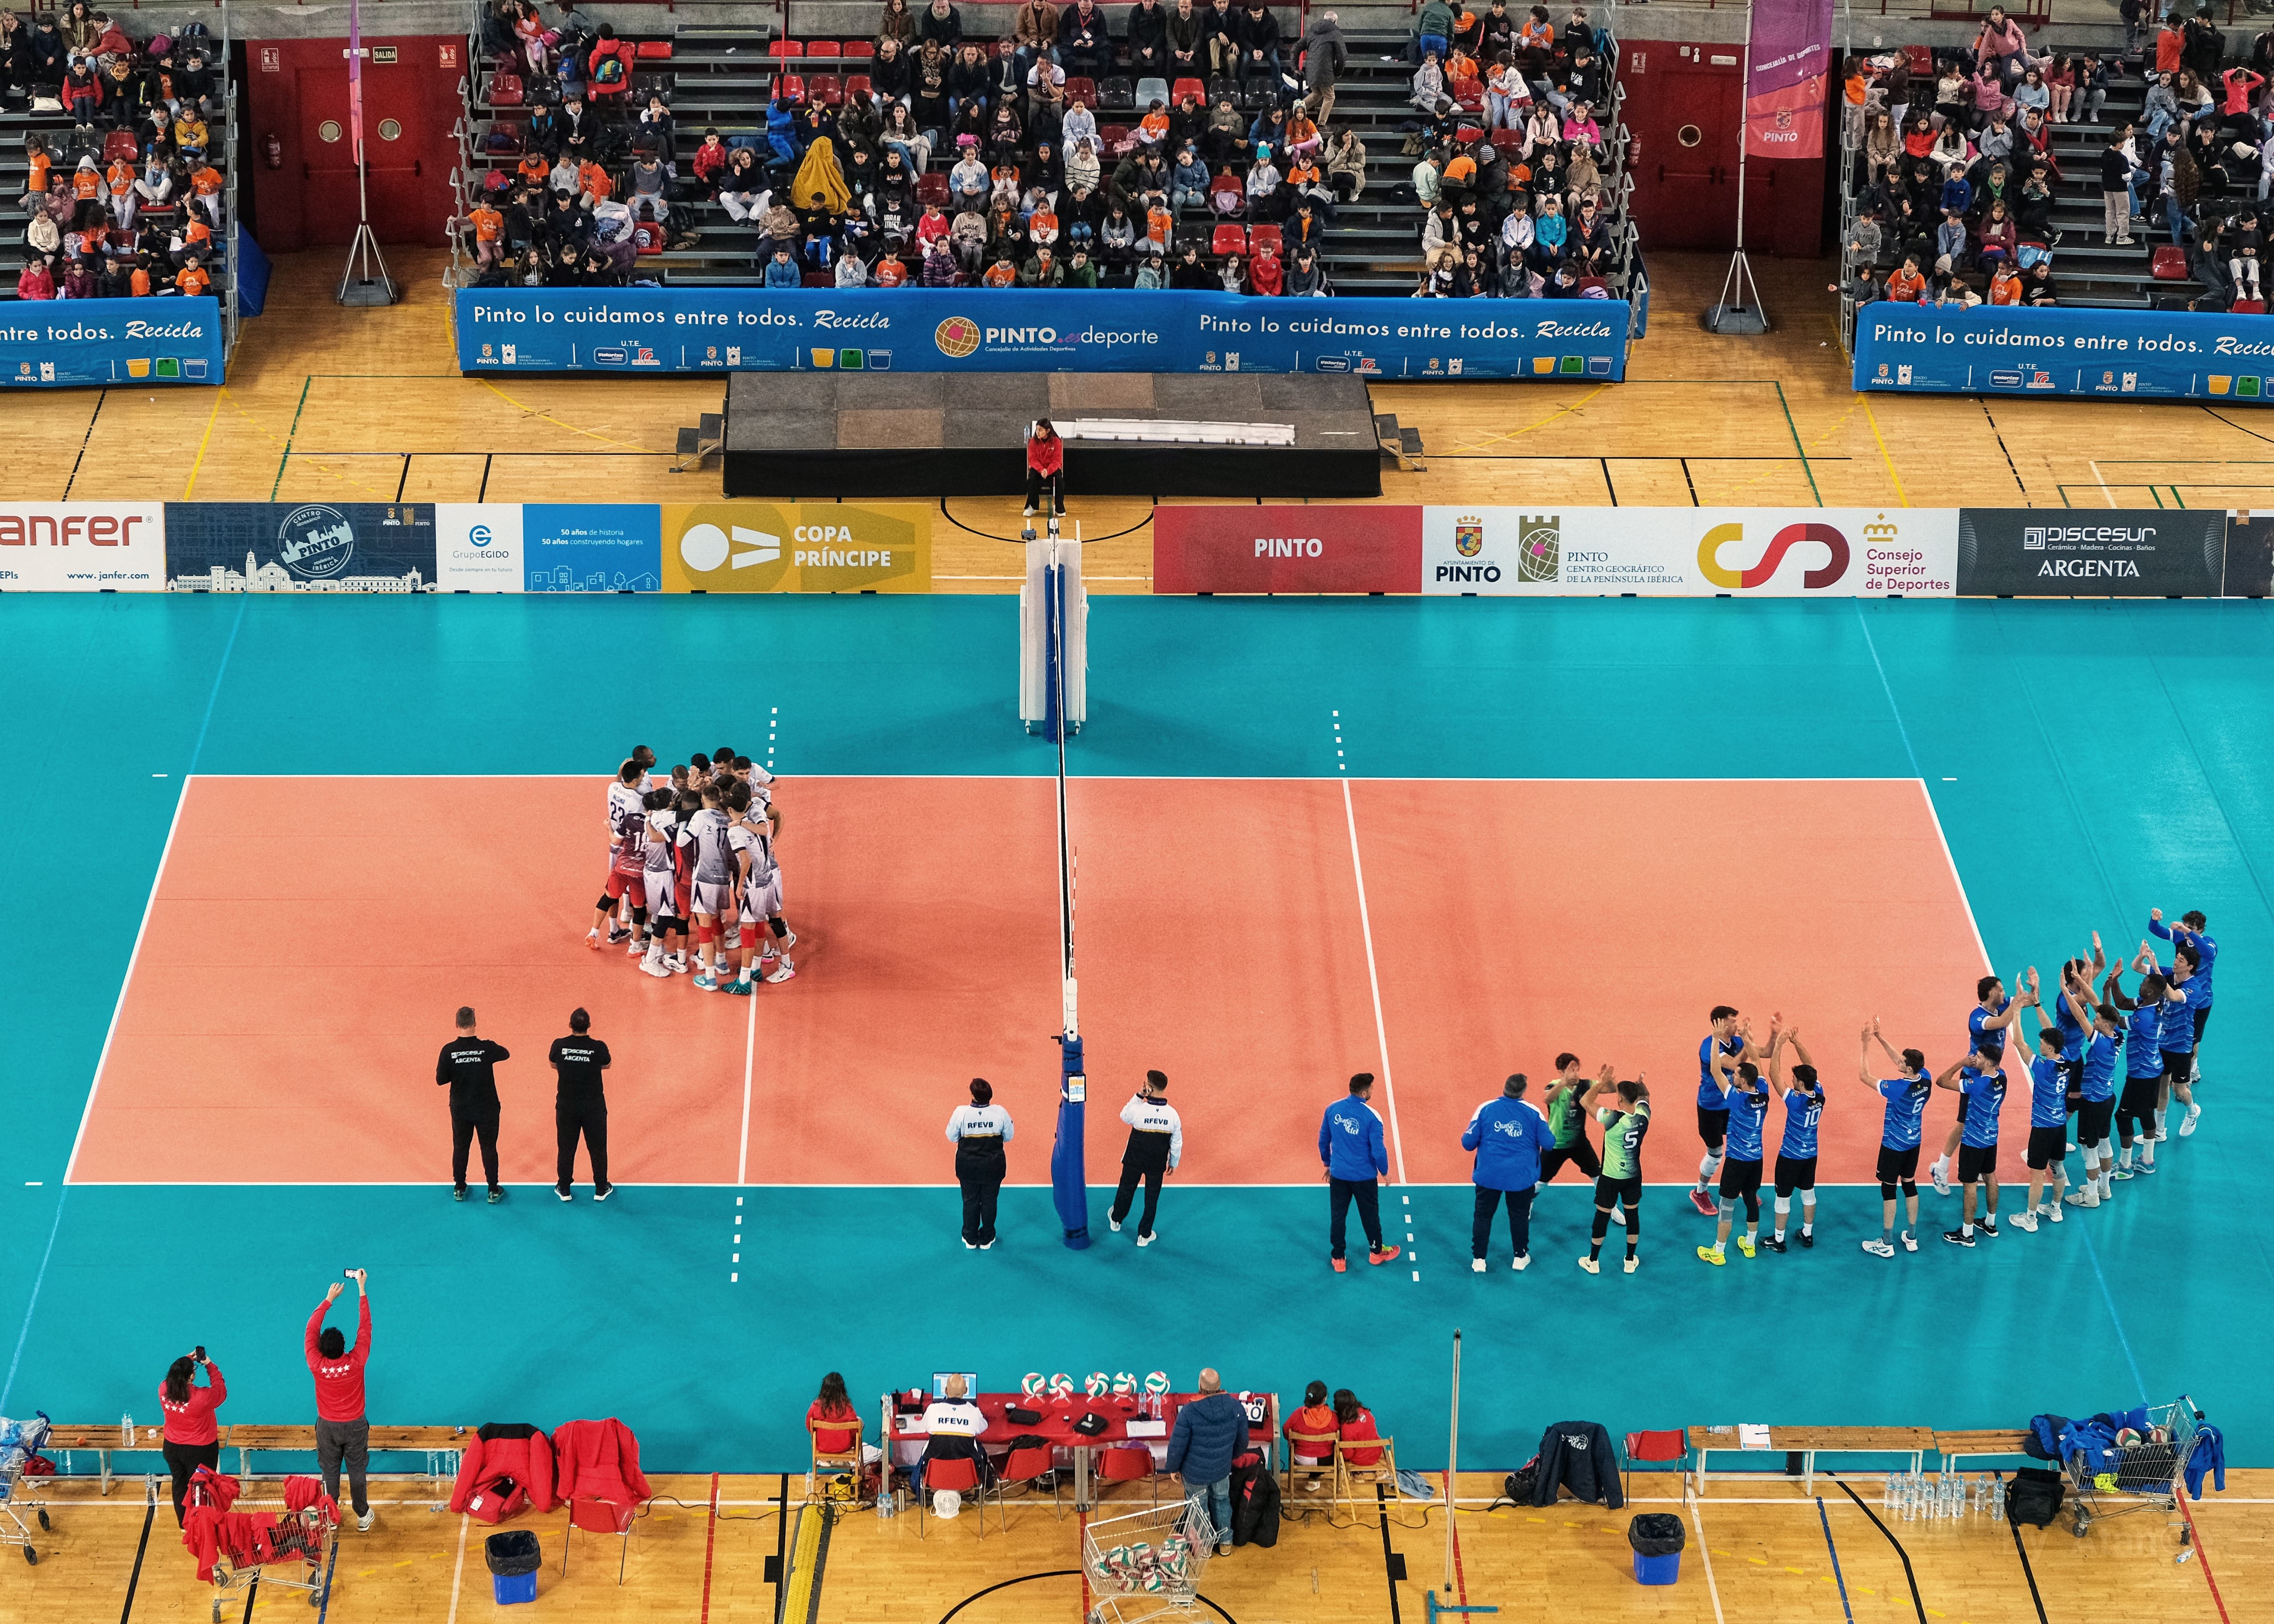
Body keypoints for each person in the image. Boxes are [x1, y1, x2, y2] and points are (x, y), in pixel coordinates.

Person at [1929, 974, 2019, 1195]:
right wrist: (2017, 1002)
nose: (2004, 993)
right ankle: (1940, 1168)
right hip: (1974, 1077)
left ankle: (1974, 1166)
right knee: (1963, 1123)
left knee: (1985, 1119)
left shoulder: (2002, 1005)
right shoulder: (1977, 1018)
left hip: (1991, 1076)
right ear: (1991, 993)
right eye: (2001, 989)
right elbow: (2002, 1022)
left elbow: (2026, 1000)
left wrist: (2032, 990)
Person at [306, 1269, 376, 1531]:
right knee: (357, 1470)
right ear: (344, 1345)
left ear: (321, 1349)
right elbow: (365, 1328)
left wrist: (329, 1300)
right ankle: (362, 1515)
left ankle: (330, 1515)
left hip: (327, 1427)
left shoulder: (315, 1363)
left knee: (330, 1471)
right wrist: (362, 1289)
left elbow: (311, 1329)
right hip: (356, 1426)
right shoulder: (357, 1361)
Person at [1936, 1030, 2017, 1247]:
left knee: (1970, 1185)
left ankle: (1967, 1234)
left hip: (1973, 1141)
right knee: (1990, 1177)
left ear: (1989, 1063)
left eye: (1979, 1057)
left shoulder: (1977, 1084)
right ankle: (1990, 1223)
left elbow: (1942, 1081)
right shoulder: (2002, 1077)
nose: (1975, 1059)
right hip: (1991, 1137)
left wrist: (1961, 1063)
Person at [1461, 1072, 1548, 1272]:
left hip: (1488, 1176)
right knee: (1519, 1216)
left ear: (1505, 1088)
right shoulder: (1534, 1112)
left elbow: (1468, 1143)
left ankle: (1479, 1260)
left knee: (1483, 1216)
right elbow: (1549, 1143)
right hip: (1521, 1178)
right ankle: (1520, 1257)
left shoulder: (1485, 1109)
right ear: (1524, 1091)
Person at [1857, 1020, 1929, 1257]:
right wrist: (1880, 1037)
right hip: (1914, 1141)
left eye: (1903, 1063)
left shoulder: (1898, 1088)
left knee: (1889, 1190)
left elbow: (1864, 1076)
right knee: (1909, 1184)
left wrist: (1866, 1044)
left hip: (1894, 1145)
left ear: (1908, 1069)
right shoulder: (1925, 1078)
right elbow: (1900, 1060)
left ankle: (1886, 1242)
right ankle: (1912, 1237)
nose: (1898, 1062)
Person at [1319, 1072, 1400, 1272]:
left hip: (1339, 1176)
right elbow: (1378, 1150)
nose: (1373, 1091)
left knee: (1338, 1217)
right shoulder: (1372, 1116)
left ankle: (1338, 1258)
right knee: (1370, 1216)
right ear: (1364, 1093)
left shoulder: (1333, 1109)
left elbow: (1323, 1140)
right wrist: (1384, 1172)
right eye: (1371, 1089)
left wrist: (1327, 1164)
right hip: (1364, 1178)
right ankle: (1376, 1253)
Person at [1696, 1055, 1768, 1267]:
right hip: (1757, 1159)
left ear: (1743, 1081)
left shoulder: (1737, 1099)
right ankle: (1750, 1245)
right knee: (1750, 1199)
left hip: (1737, 1161)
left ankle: (1718, 1252)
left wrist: (1715, 1040)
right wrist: (1748, 1041)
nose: (1732, 1076)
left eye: (1736, 1075)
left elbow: (1716, 1071)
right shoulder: (1764, 1093)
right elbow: (1759, 1066)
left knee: (1727, 1206)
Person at [1164, 1369, 1244, 1555]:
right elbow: (1242, 1441)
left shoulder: (1189, 1412)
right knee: (1222, 1501)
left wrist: (1173, 1468)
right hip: (1222, 1470)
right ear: (1220, 1384)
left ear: (1200, 1385)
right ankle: (1226, 1541)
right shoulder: (1235, 1407)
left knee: (1197, 1508)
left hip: (1195, 1474)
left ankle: (1205, 1547)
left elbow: (1178, 1444)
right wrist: (1229, 1457)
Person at [2010, 990, 2070, 1232]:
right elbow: (2053, 1031)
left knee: (2037, 1174)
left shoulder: (2044, 1068)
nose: (2040, 1045)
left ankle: (2031, 1218)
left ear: (2051, 1048)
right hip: (2060, 1126)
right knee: (2058, 1168)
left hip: (2043, 1128)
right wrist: (2036, 1005)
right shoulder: (2065, 1059)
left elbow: (2019, 1043)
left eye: (2043, 1043)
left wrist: (2016, 1011)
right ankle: (2055, 1209)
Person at [436, 1006, 509, 1203]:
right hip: (487, 1108)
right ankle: (493, 1190)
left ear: (457, 1024)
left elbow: (441, 1079)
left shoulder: (449, 1051)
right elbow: (506, 1054)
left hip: (461, 1109)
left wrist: (459, 1068)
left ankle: (460, 1188)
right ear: (475, 1023)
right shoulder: (487, 1048)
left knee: (461, 1147)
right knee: (489, 1148)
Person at [2148, 904, 2215, 1121]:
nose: (2185, 930)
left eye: (2190, 928)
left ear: (2200, 929)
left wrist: (2187, 932)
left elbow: (2207, 953)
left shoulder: (2209, 944)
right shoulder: (2180, 938)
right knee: (2176, 1032)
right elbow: (2156, 931)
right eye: (2185, 926)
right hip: (2180, 996)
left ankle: (2191, 1069)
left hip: (2201, 1001)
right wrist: (2155, 919)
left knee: (2192, 1041)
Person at [1580, 1067, 1646, 1275]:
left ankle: (1593, 1261)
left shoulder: (1612, 1118)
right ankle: (1630, 1260)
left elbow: (1585, 1101)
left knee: (1602, 1216)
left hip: (1610, 1177)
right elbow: (1645, 1097)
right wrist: (1640, 1086)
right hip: (1633, 1177)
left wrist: (1602, 1082)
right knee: (1632, 1215)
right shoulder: (1644, 1116)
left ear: (1619, 1099)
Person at [1689, 1006, 1751, 1215]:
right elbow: (1734, 1064)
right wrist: (1748, 1043)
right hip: (1711, 1108)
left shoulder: (1736, 1042)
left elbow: (1764, 1053)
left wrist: (1773, 1036)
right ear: (1721, 1023)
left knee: (1739, 1147)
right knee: (1716, 1154)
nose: (1736, 1025)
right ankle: (1700, 1192)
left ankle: (1738, 1185)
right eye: (1733, 1021)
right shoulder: (1709, 1047)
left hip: (1731, 1104)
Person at [1109, 1069, 1182, 1245]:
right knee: (1152, 1199)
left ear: (1149, 1087)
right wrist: (1173, 1163)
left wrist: (1138, 1095)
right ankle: (1144, 1235)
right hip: (1156, 1165)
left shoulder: (1138, 1110)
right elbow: (1176, 1143)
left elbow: (1124, 1115)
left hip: (1134, 1161)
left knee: (1126, 1190)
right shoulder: (1173, 1115)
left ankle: (1116, 1220)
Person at [549, 1007, 612, 1201]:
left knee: (566, 1148)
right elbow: (607, 1064)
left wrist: (570, 1065)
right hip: (594, 1107)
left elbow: (553, 1064)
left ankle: (564, 1188)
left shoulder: (559, 1045)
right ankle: (601, 1188)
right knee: (598, 1148)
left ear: (570, 1025)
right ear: (589, 1026)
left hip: (567, 1107)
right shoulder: (599, 1047)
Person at [159, 1348, 226, 1526]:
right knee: (203, 1487)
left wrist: (187, 1359)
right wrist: (209, 1364)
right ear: (191, 1377)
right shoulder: (202, 1397)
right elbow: (220, 1389)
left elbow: (177, 1373)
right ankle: (203, 1526)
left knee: (180, 1484)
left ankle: (184, 1524)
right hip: (200, 1451)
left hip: (172, 1448)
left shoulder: (164, 1389)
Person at [946, 1077, 1013, 1249]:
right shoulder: (1000, 1112)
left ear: (973, 1096)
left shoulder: (961, 1113)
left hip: (968, 1167)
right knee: (990, 1202)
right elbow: (1009, 1136)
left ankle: (970, 1237)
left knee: (970, 1201)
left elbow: (952, 1136)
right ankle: (987, 1238)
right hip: (993, 1167)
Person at [917, 1374, 993, 1488]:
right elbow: (983, 1427)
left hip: (935, 1475)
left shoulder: (933, 1410)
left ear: (945, 1390)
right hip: (966, 1475)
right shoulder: (974, 1413)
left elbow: (926, 1426)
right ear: (966, 1390)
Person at [1282, 1379, 1335, 1490]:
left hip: (1301, 1459)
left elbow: (1286, 1431)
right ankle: (1314, 1478)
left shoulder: (1298, 1414)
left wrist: (1292, 1441)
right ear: (1325, 1398)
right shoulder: (1334, 1418)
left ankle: (1313, 1478)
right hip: (1325, 1461)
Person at [808, 1372, 860, 1461]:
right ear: (842, 1389)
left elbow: (809, 1426)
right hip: (845, 1447)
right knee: (860, 1422)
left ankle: (825, 1460)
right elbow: (854, 1430)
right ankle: (841, 1461)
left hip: (823, 1447)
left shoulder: (816, 1406)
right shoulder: (848, 1407)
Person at [1024, 417, 1065, 519]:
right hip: (1039, 469)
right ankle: (1032, 506)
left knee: (1060, 480)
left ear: (1048, 431)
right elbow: (1032, 459)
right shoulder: (1033, 442)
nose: (1038, 432)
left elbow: (1057, 460)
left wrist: (1048, 470)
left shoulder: (1056, 442)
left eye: (1040, 430)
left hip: (1052, 469)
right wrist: (1042, 470)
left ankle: (1059, 508)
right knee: (1031, 478)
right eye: (1037, 429)